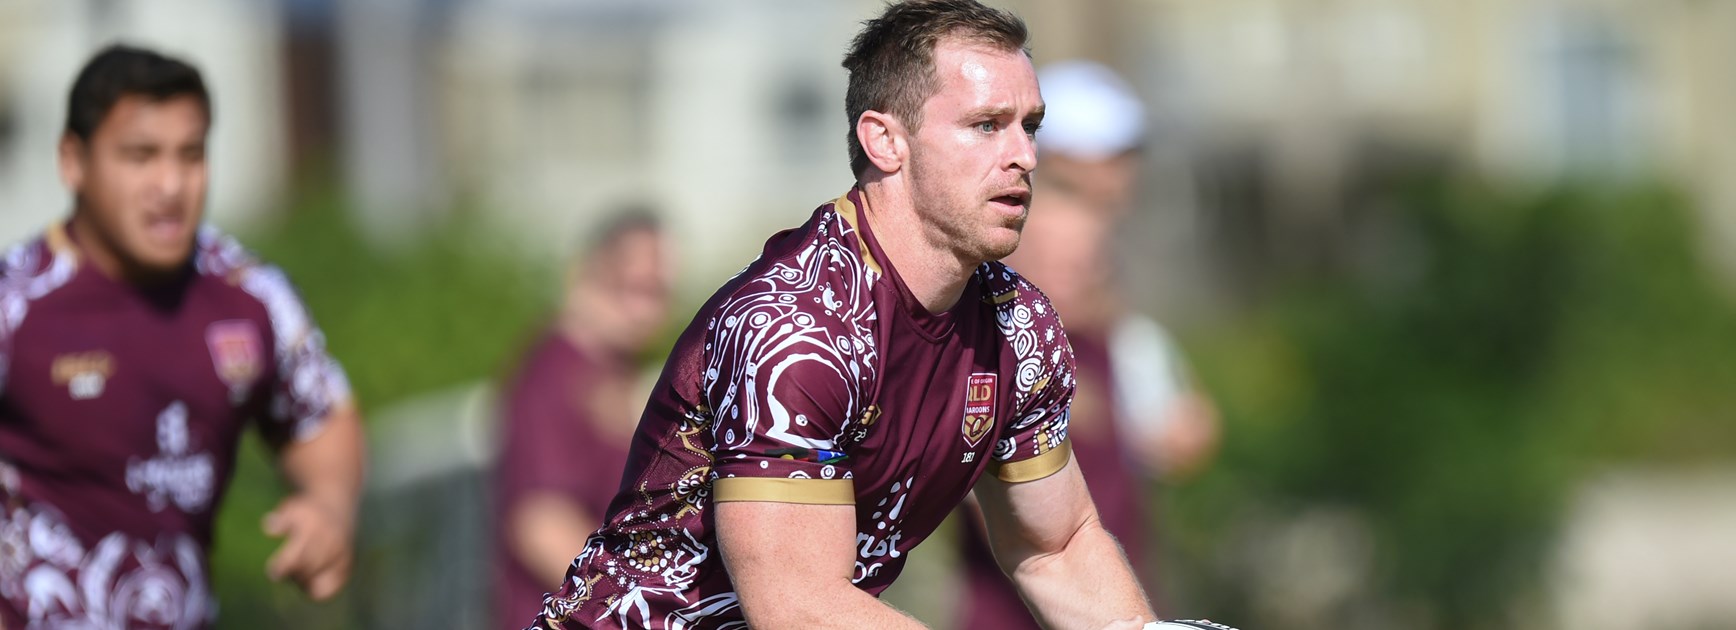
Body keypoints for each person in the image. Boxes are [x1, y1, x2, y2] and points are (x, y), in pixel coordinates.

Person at [529, 2, 1212, 628]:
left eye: (1030, 126)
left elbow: (1057, 547)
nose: (1024, 155)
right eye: (985, 125)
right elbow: (799, 609)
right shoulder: (797, 326)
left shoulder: (1018, 323)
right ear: (886, 141)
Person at [0, 45, 365, 627]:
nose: (170, 184)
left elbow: (321, 417)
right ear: (73, 161)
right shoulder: (17, 303)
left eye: (190, 155)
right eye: (140, 156)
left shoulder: (249, 296)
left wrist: (329, 507)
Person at [953, 59, 1223, 630]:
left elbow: (1186, 433)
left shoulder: (1118, 331)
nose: (1120, 179)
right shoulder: (982, 339)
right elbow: (1018, 526)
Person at [493, 211, 674, 629]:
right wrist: (644, 604)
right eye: (629, 288)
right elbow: (540, 525)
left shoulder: (611, 370)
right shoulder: (553, 375)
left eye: (657, 292)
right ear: (584, 273)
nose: (644, 311)